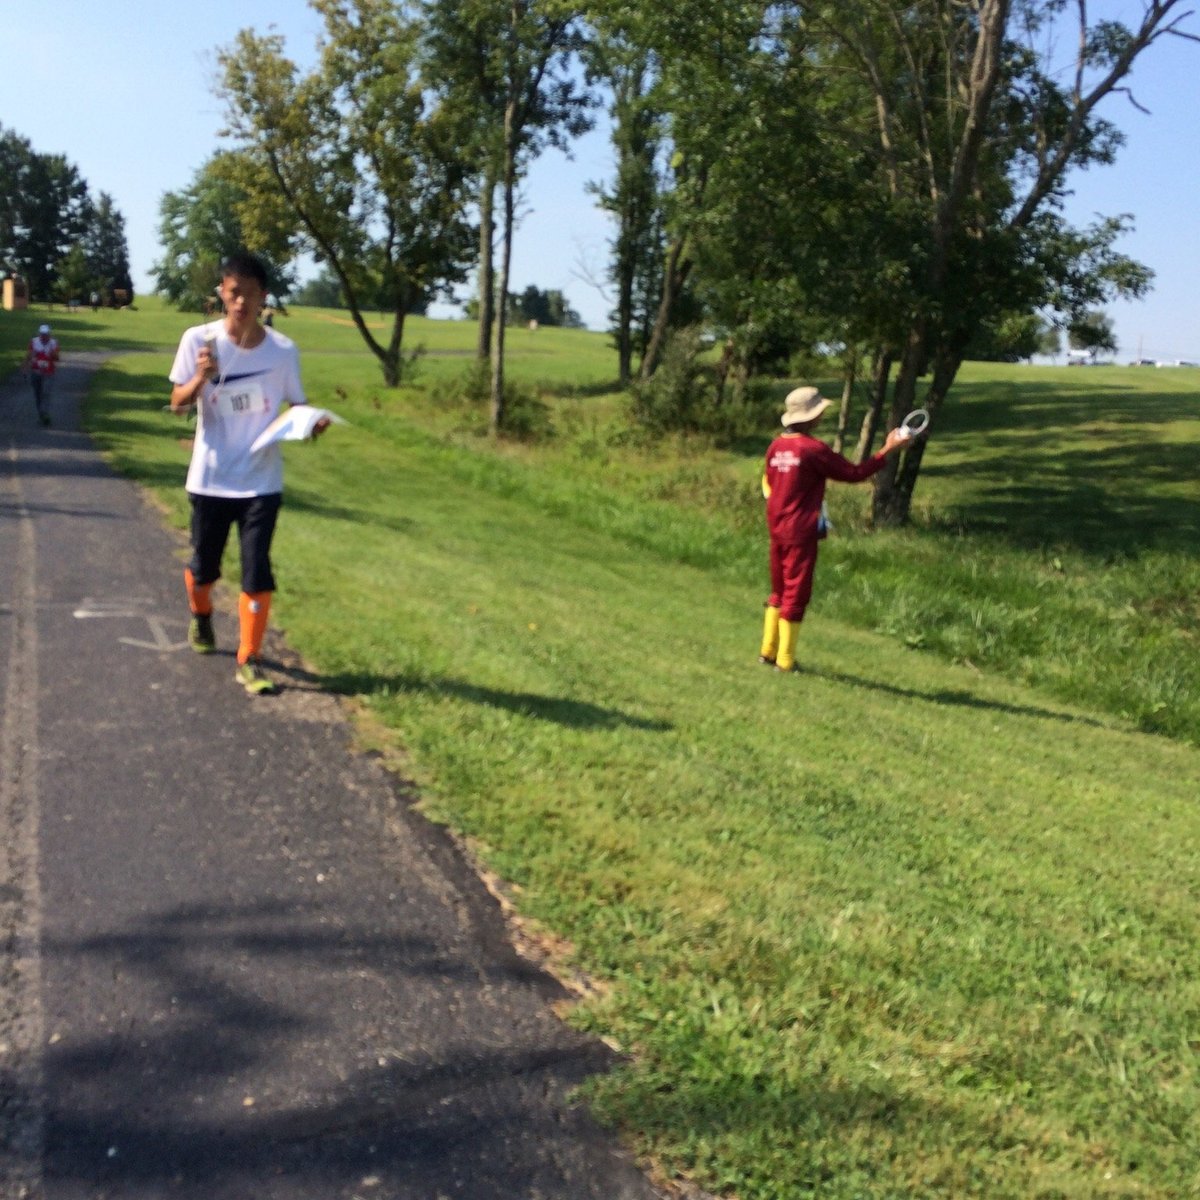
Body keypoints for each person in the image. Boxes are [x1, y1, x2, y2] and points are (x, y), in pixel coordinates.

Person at [168, 251, 327, 695]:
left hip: (261, 480)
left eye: (250, 294)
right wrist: (201, 378)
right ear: (222, 291)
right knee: (204, 569)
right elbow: (178, 404)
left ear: (263, 298)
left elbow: (297, 403)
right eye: (233, 292)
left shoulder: (282, 351)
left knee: (257, 569)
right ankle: (201, 616)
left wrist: (311, 421)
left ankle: (249, 659)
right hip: (211, 476)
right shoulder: (199, 341)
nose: (241, 303)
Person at [759, 385, 910, 673]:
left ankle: (768, 651)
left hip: (777, 527)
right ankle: (786, 661)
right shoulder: (813, 449)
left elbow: (768, 483)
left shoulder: (776, 446)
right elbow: (854, 474)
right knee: (796, 593)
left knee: (778, 590)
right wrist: (888, 450)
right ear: (810, 417)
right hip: (801, 530)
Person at [22, 323, 60, 426]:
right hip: (36, 372)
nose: (44, 336)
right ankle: (41, 414)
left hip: (48, 373)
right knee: (38, 394)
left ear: (49, 334)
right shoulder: (34, 342)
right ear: (39, 334)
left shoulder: (53, 343)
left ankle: (45, 414)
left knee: (46, 393)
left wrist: (52, 353)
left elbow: (57, 358)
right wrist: (25, 368)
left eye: (46, 334)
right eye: (42, 334)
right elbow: (28, 356)